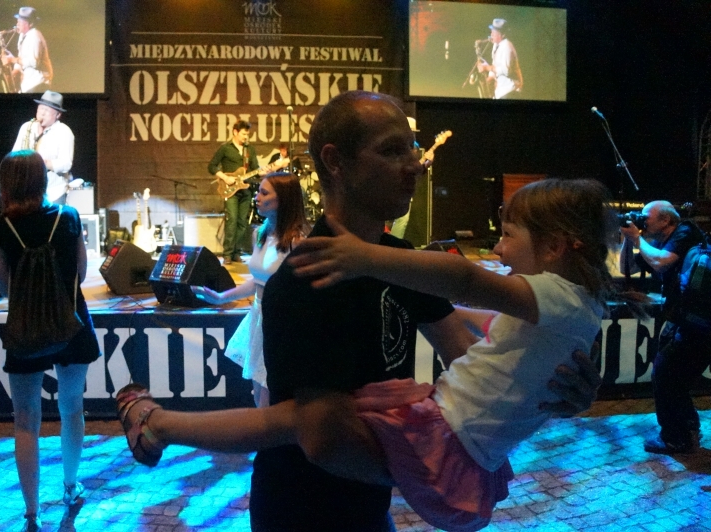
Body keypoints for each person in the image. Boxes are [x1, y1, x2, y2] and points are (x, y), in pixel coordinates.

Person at [114, 92, 602, 531]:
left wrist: (547, 383)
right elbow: (325, 440)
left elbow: (465, 351)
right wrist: (430, 470)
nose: (414, 166)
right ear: (335, 162)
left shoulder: (400, 259)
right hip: (302, 513)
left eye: (412, 149)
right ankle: (158, 422)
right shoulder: (306, 280)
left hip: (369, 507)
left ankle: (158, 422)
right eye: (392, 151)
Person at [0, 150, 100, 532]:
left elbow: (3, 284)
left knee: (25, 420)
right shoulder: (68, 217)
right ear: (42, 180)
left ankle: (32, 512)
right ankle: (70, 486)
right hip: (72, 323)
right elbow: (81, 272)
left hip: (25, 328)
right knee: (72, 408)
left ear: (6, 184)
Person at [190, 173, 309, 407]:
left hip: (282, 323)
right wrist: (220, 297)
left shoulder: (298, 241)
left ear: (283, 199)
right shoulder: (260, 234)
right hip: (259, 317)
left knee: (268, 399)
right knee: (258, 396)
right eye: (258, 192)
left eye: (264, 193)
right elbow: (259, 282)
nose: (256, 197)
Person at [620, 200, 708, 454]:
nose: (642, 220)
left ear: (666, 220)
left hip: (697, 322)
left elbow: (661, 263)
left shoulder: (685, 232)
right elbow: (627, 268)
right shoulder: (659, 242)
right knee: (671, 378)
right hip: (683, 319)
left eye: (646, 216)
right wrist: (628, 239)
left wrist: (638, 239)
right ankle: (686, 430)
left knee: (666, 375)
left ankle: (675, 438)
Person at [209, 120, 261, 265]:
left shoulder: (249, 150)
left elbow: (255, 169)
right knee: (231, 220)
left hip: (245, 189)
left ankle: (236, 252)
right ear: (235, 132)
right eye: (243, 134)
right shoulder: (225, 148)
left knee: (242, 223)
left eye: (247, 134)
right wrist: (225, 177)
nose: (246, 137)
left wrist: (266, 170)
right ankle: (227, 253)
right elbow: (212, 166)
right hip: (230, 190)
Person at [12, 90, 74, 205]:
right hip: (27, 192)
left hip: (53, 193)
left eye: (47, 110)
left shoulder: (64, 132)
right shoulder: (27, 127)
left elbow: (66, 164)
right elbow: (14, 154)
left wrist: (41, 163)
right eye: (41, 108)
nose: (42, 113)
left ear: (58, 115)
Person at [1, 7, 53, 94]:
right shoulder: (22, 36)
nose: (17, 24)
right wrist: (13, 73)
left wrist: (12, 59)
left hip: (38, 83)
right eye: (17, 21)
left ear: (30, 24)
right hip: (28, 84)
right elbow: (22, 58)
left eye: (20, 22)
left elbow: (33, 62)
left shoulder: (35, 36)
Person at [477, 18, 523, 99]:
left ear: (502, 35)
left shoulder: (507, 47)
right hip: (501, 92)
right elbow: (496, 65)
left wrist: (487, 68)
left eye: (494, 32)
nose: (491, 34)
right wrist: (488, 80)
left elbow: (506, 70)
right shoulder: (496, 45)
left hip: (510, 90)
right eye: (491, 31)